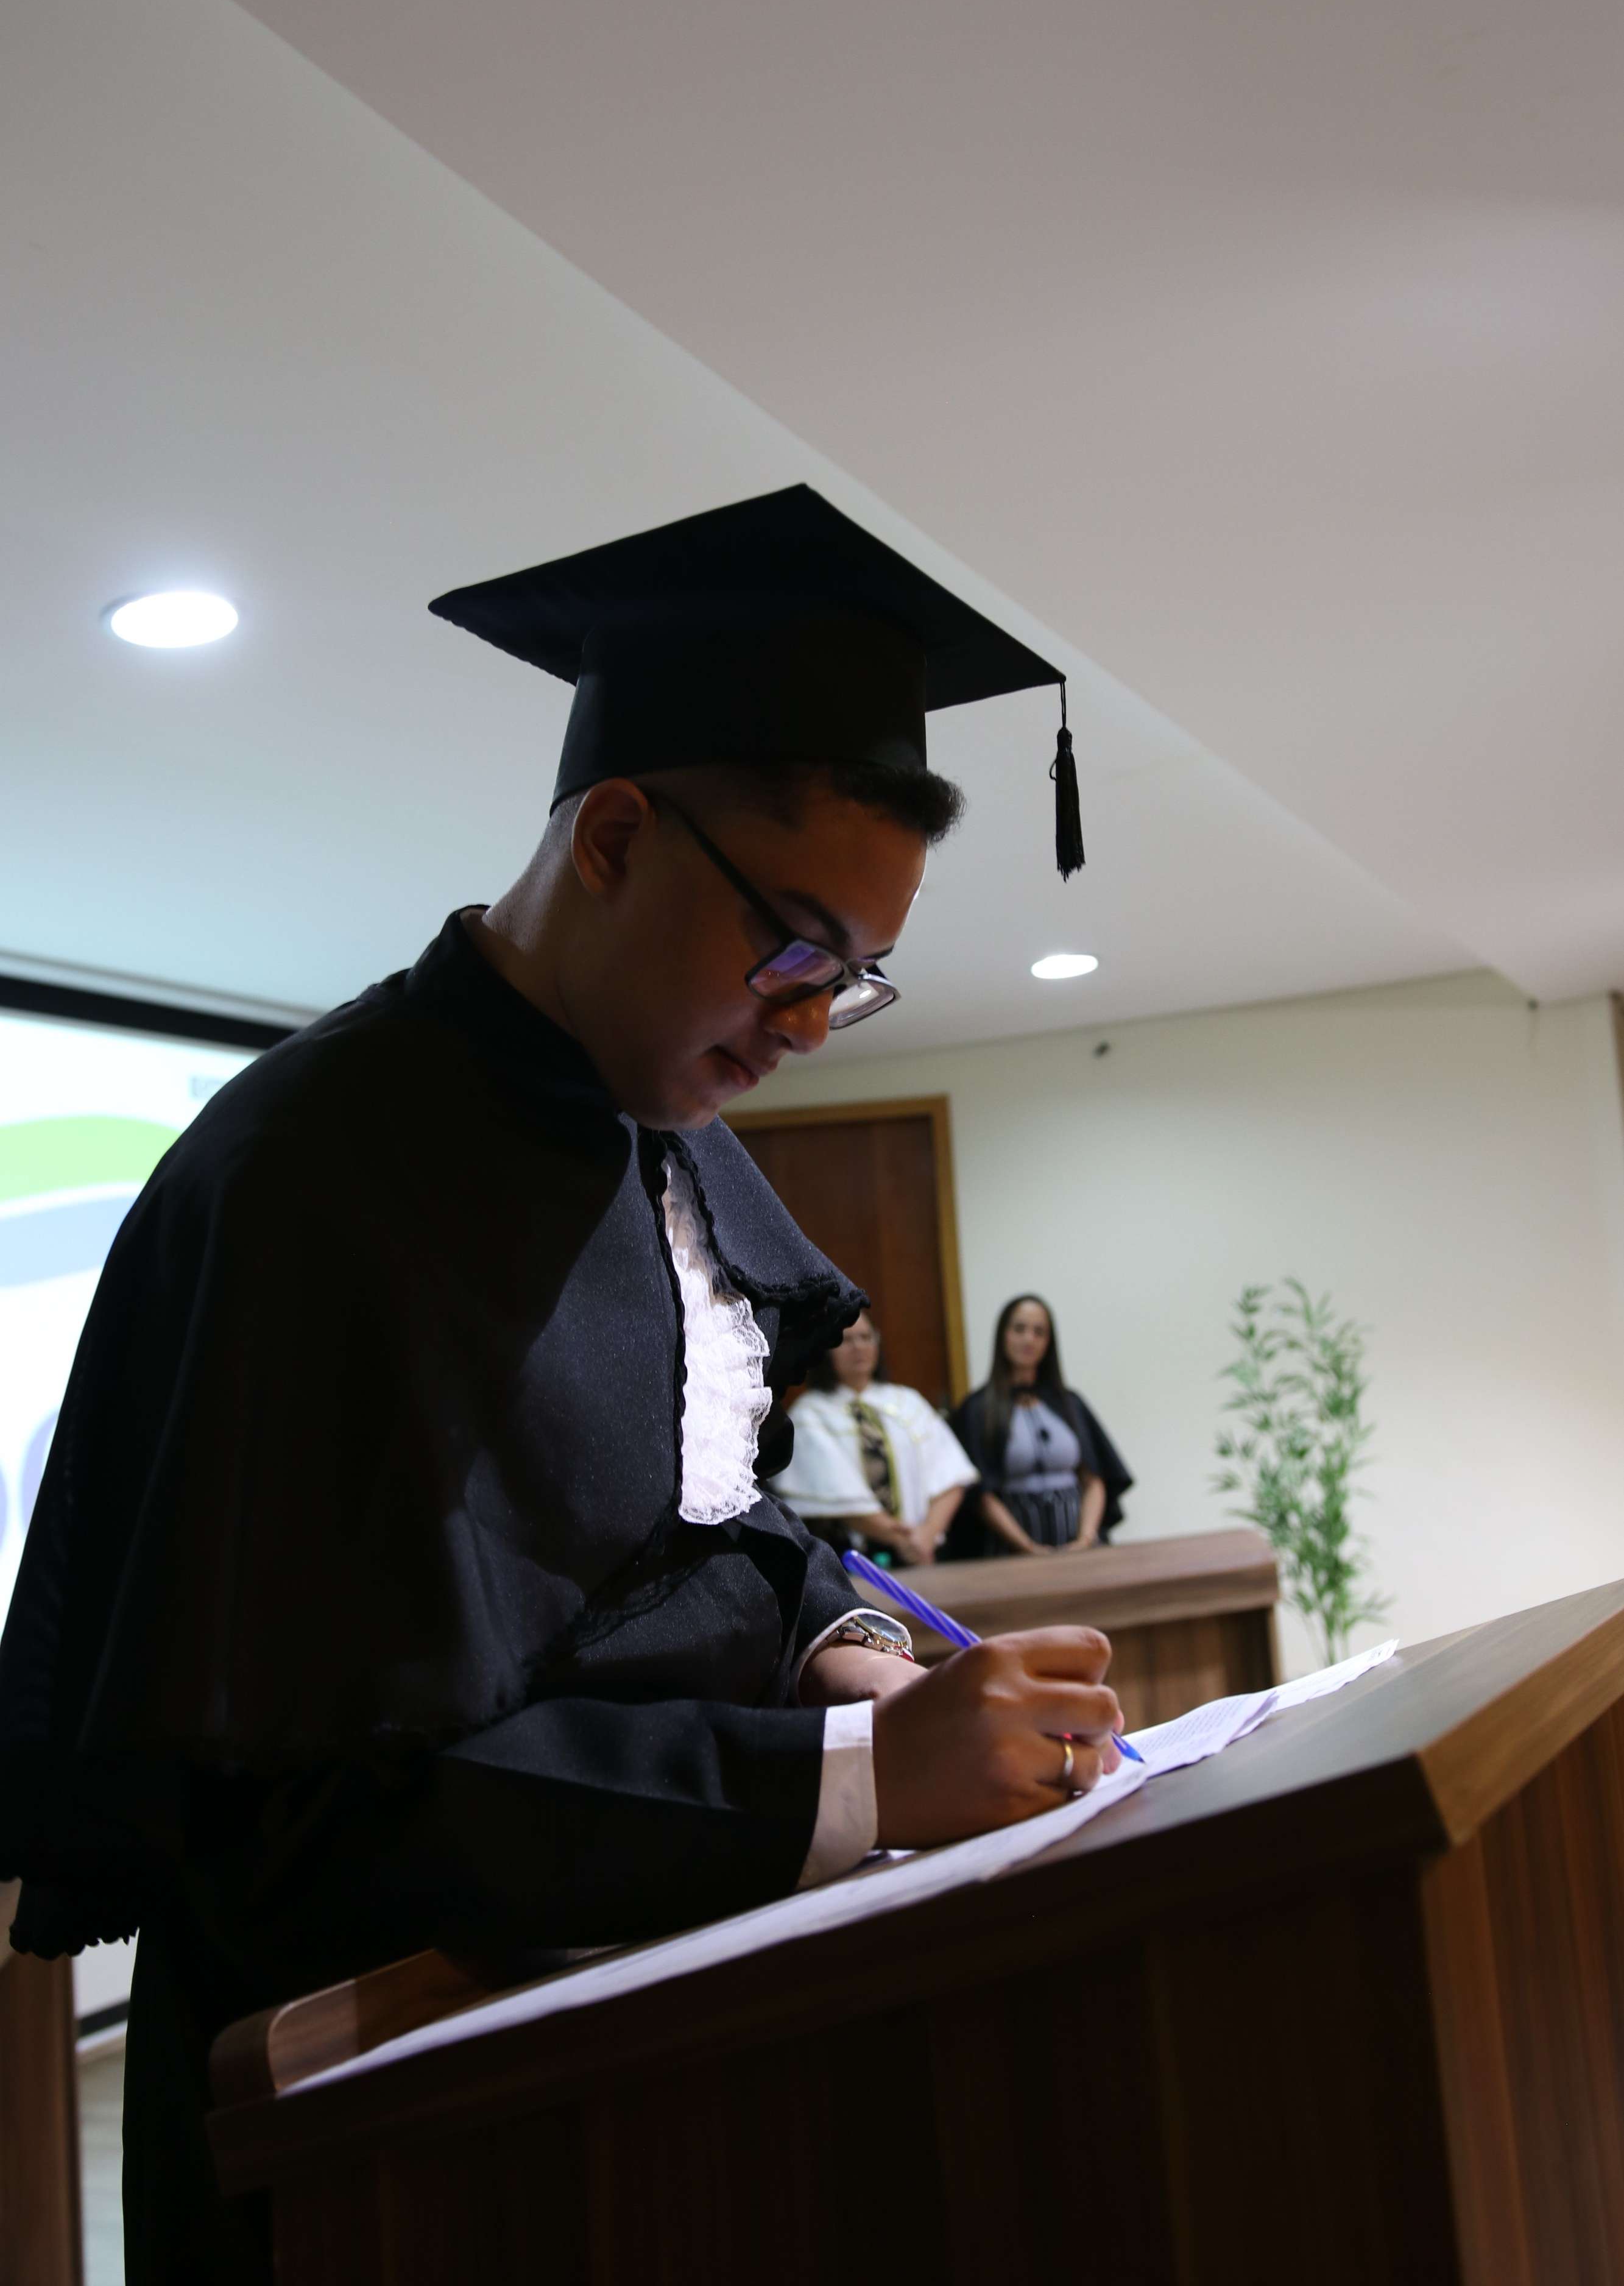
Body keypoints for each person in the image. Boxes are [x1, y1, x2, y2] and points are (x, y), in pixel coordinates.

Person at [0, 486, 1124, 2284]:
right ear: (612, 836)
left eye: (853, 979)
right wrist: (852, 1777)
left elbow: (702, 1533)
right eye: (792, 950)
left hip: (638, 2071)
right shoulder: (310, 1179)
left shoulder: (658, 1141)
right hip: (381, 2142)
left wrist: (845, 1646)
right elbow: (301, 1823)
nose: (806, 1025)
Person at [772, 1311, 975, 1563]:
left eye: (866, 1337)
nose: (859, 1347)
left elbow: (951, 1473)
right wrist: (900, 1538)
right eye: (847, 1340)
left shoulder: (908, 1402)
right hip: (853, 1556)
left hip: (925, 1549)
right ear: (826, 1348)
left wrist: (928, 1534)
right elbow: (834, 1491)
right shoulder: (810, 1413)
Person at [950, 1294, 1134, 1555]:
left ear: (1049, 1342)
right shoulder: (977, 1409)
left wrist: (1085, 1540)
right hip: (1011, 1555)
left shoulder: (1070, 1403)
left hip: (1078, 1550)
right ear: (1003, 1335)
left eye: (1039, 1332)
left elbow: (1094, 1480)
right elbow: (980, 1495)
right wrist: (1027, 1548)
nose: (1029, 1339)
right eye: (1019, 1329)